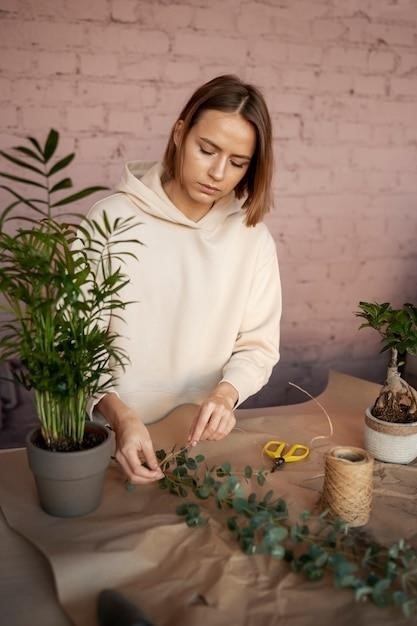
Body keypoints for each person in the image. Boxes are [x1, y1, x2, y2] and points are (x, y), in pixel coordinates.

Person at [86, 75, 282, 485]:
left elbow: (258, 347)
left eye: (238, 162)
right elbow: (76, 345)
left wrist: (227, 395)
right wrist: (120, 417)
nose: (217, 172)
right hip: (112, 445)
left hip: (202, 447)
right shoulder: (111, 220)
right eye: (206, 149)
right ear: (180, 133)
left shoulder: (252, 239)